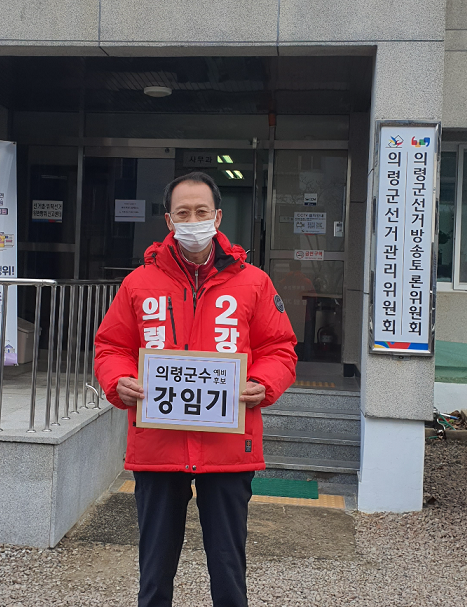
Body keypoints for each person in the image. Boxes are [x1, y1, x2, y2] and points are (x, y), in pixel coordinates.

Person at [94, 171, 297, 607]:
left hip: (227, 447)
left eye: (201, 212)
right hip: (157, 444)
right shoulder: (138, 283)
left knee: (228, 567)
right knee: (154, 569)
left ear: (217, 217)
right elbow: (111, 346)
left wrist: (263, 382)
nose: (192, 221)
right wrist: (117, 380)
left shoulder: (254, 282)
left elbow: (279, 348)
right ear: (169, 221)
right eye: (182, 213)